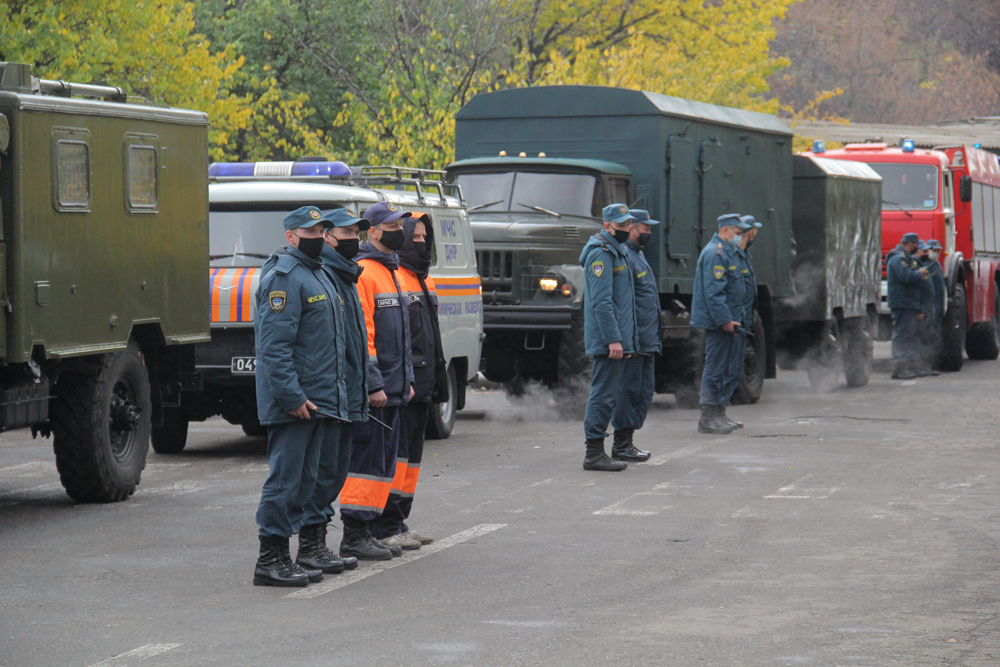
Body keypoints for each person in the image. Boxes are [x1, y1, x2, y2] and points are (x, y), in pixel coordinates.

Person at [252, 205, 347, 587]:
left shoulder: (318, 273)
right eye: (308, 233)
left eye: (320, 231)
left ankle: (289, 556)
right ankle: (270, 559)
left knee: (306, 483)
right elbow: (274, 348)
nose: (315, 238)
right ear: (291, 236)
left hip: (317, 400)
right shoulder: (285, 277)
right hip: (294, 404)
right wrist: (292, 396)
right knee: (285, 482)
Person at [338, 202, 415, 561]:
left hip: (395, 385)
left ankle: (372, 530)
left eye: (401, 224)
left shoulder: (392, 271)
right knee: (367, 463)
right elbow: (365, 336)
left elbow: (402, 338)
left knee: (383, 463)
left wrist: (407, 380)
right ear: (374, 232)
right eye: (393, 225)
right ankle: (355, 533)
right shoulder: (366, 272)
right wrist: (374, 384)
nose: (401, 230)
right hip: (378, 388)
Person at [374, 212, 447, 548]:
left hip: (423, 381)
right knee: (396, 457)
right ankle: (385, 525)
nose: (420, 242)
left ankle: (400, 521)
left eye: (423, 237)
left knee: (412, 460)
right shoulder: (394, 276)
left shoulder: (423, 278)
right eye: (413, 236)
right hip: (403, 384)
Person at [579, 203, 638, 472]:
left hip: (616, 339)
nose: (628, 229)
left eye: (628, 224)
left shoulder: (618, 251)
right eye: (622, 225)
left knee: (610, 394)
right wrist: (614, 339)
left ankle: (598, 452)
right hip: (608, 341)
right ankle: (593, 453)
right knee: (603, 395)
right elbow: (602, 303)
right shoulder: (601, 255)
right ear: (607, 226)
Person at [607, 209, 659, 462]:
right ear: (631, 229)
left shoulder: (638, 255)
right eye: (645, 228)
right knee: (629, 391)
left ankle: (628, 441)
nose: (649, 232)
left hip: (647, 338)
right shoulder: (626, 256)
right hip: (635, 339)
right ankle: (621, 444)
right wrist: (626, 339)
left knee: (643, 391)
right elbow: (623, 302)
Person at [690, 214, 748, 434]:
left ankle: (719, 414)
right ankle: (708, 418)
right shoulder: (716, 253)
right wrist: (724, 320)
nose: (740, 236)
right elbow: (714, 292)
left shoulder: (727, 252)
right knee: (715, 369)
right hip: (719, 323)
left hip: (729, 321)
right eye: (738, 232)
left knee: (725, 369)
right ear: (725, 230)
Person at [885, 232, 930, 379]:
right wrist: (919, 273)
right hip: (902, 303)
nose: (917, 248)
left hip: (909, 303)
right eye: (916, 245)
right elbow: (905, 277)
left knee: (909, 336)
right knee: (901, 336)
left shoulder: (907, 258)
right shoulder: (898, 258)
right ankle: (899, 368)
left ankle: (908, 367)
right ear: (910, 244)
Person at [924, 239, 947, 366]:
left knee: (936, 336)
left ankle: (934, 363)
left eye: (938, 251)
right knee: (930, 337)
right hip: (930, 308)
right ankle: (928, 364)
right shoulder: (926, 265)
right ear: (928, 250)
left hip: (937, 308)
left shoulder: (936, 264)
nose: (936, 253)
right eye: (934, 250)